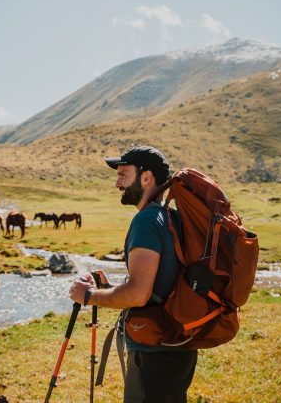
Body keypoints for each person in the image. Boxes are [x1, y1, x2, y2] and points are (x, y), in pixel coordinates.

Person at [69, 146, 197, 403]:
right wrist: (110, 287)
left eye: (123, 174)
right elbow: (157, 286)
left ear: (146, 177)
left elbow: (139, 295)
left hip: (154, 352)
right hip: (179, 346)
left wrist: (90, 295)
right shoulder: (170, 218)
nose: (117, 182)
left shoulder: (147, 221)